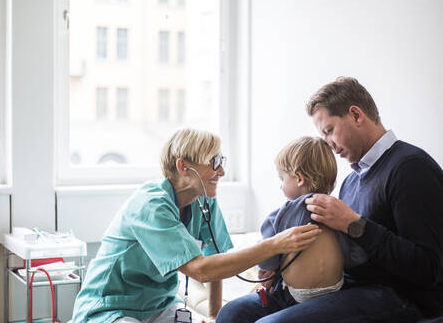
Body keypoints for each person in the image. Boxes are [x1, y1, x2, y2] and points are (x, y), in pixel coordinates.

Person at [216, 77, 443, 323]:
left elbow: (429, 268)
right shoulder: (351, 182)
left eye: (329, 131)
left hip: (400, 297)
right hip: (350, 289)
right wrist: (279, 269)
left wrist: (354, 225)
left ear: (356, 115)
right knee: (233, 314)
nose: (329, 145)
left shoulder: (410, 167)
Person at [71, 128, 322, 323]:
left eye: (222, 160)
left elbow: (218, 258)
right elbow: (201, 270)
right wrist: (274, 245)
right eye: (214, 162)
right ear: (183, 166)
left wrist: (214, 314)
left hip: (160, 305)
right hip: (111, 306)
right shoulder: (151, 205)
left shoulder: (204, 201)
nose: (222, 170)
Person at [257, 136, 367, 304]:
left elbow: (266, 256)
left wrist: (268, 268)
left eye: (282, 179)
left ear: (299, 178)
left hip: (295, 295)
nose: (280, 185)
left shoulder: (280, 215)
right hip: (335, 291)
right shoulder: (340, 212)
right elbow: (356, 256)